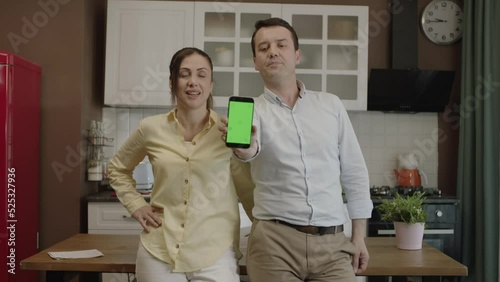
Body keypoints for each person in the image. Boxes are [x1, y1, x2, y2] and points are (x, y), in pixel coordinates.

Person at [220, 17, 373, 281]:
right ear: (255, 62)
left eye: (281, 45)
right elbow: (248, 151)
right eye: (263, 48)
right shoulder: (251, 111)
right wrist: (244, 149)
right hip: (273, 244)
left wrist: (359, 237)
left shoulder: (331, 105)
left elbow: (354, 172)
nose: (273, 52)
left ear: (297, 55)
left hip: (333, 243)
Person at [107, 47, 241, 282]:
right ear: (172, 83)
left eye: (201, 75)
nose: (193, 82)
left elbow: (250, 185)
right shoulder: (150, 128)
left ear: (210, 85)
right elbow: (117, 168)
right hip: (159, 250)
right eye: (184, 74)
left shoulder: (229, 131)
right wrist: (136, 204)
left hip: (214, 251)